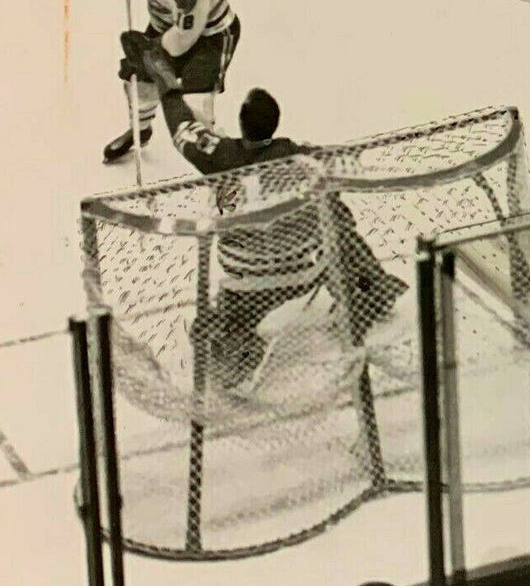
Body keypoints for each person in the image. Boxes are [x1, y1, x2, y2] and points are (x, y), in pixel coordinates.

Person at [122, 31, 407, 386]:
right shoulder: (300, 156)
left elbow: (182, 128)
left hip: (248, 287)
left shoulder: (220, 157)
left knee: (208, 326)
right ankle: (368, 293)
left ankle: (237, 361)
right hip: (305, 270)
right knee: (336, 215)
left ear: (241, 125)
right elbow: (348, 166)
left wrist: (167, 82)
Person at [104, 0, 240, 162]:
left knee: (195, 107)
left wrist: (151, 51)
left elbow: (180, 44)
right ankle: (140, 131)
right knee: (138, 84)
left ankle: (217, 167)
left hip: (210, 34)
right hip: (166, 23)